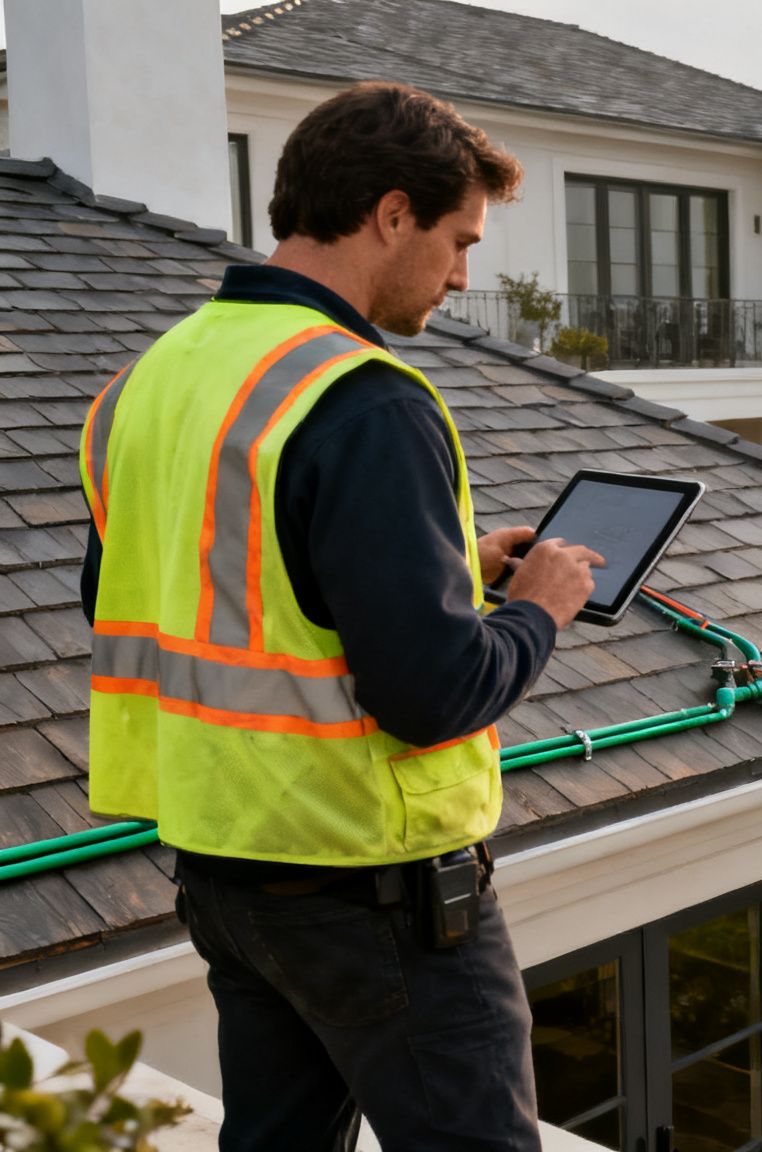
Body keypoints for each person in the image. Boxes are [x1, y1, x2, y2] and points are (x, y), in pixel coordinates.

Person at [77, 82, 602, 1151]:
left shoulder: (152, 378)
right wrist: (538, 609)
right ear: (392, 214)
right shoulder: (366, 399)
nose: (462, 275)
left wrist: (443, 566)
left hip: (226, 872)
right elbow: (431, 694)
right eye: (458, 241)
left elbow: (149, 590)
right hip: (375, 888)